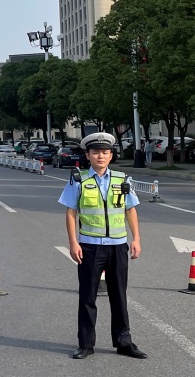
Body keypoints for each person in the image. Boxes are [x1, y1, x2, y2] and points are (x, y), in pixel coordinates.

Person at [58, 131, 146, 360]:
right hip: (89, 245)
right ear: (87, 155)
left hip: (118, 245)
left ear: (111, 156)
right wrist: (73, 242)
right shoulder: (79, 179)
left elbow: (130, 209)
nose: (100, 156)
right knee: (88, 296)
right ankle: (86, 344)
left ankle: (124, 342)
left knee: (119, 295)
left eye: (105, 153)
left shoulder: (121, 179)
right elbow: (70, 212)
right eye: (96, 152)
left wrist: (135, 238)